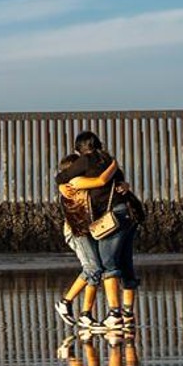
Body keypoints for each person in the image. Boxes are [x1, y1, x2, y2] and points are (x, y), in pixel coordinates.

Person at [56, 130, 143, 331]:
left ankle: (112, 314)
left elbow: (63, 177)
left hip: (110, 219)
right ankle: (124, 314)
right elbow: (106, 182)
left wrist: (61, 184)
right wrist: (115, 167)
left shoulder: (84, 164)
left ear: (80, 149)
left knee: (105, 266)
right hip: (125, 218)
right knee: (119, 265)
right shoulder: (108, 162)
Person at [53, 154, 111, 329]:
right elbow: (102, 180)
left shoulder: (74, 183)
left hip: (85, 230)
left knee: (95, 270)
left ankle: (86, 314)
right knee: (93, 268)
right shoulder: (76, 182)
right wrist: (114, 165)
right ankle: (66, 302)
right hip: (76, 232)